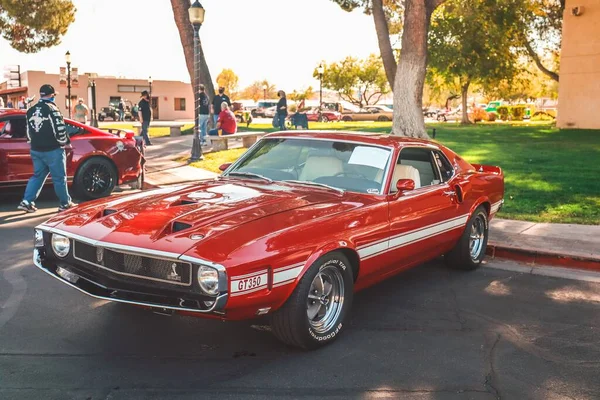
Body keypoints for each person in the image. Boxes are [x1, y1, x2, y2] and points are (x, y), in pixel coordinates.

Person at [18, 84, 75, 213]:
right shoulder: (52, 109)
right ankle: (65, 204)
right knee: (59, 178)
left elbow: (28, 131)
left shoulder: (31, 110)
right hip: (53, 150)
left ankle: (27, 201)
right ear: (52, 95)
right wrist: (64, 142)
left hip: (36, 150)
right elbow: (60, 129)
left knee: (38, 175)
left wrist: (32, 143)